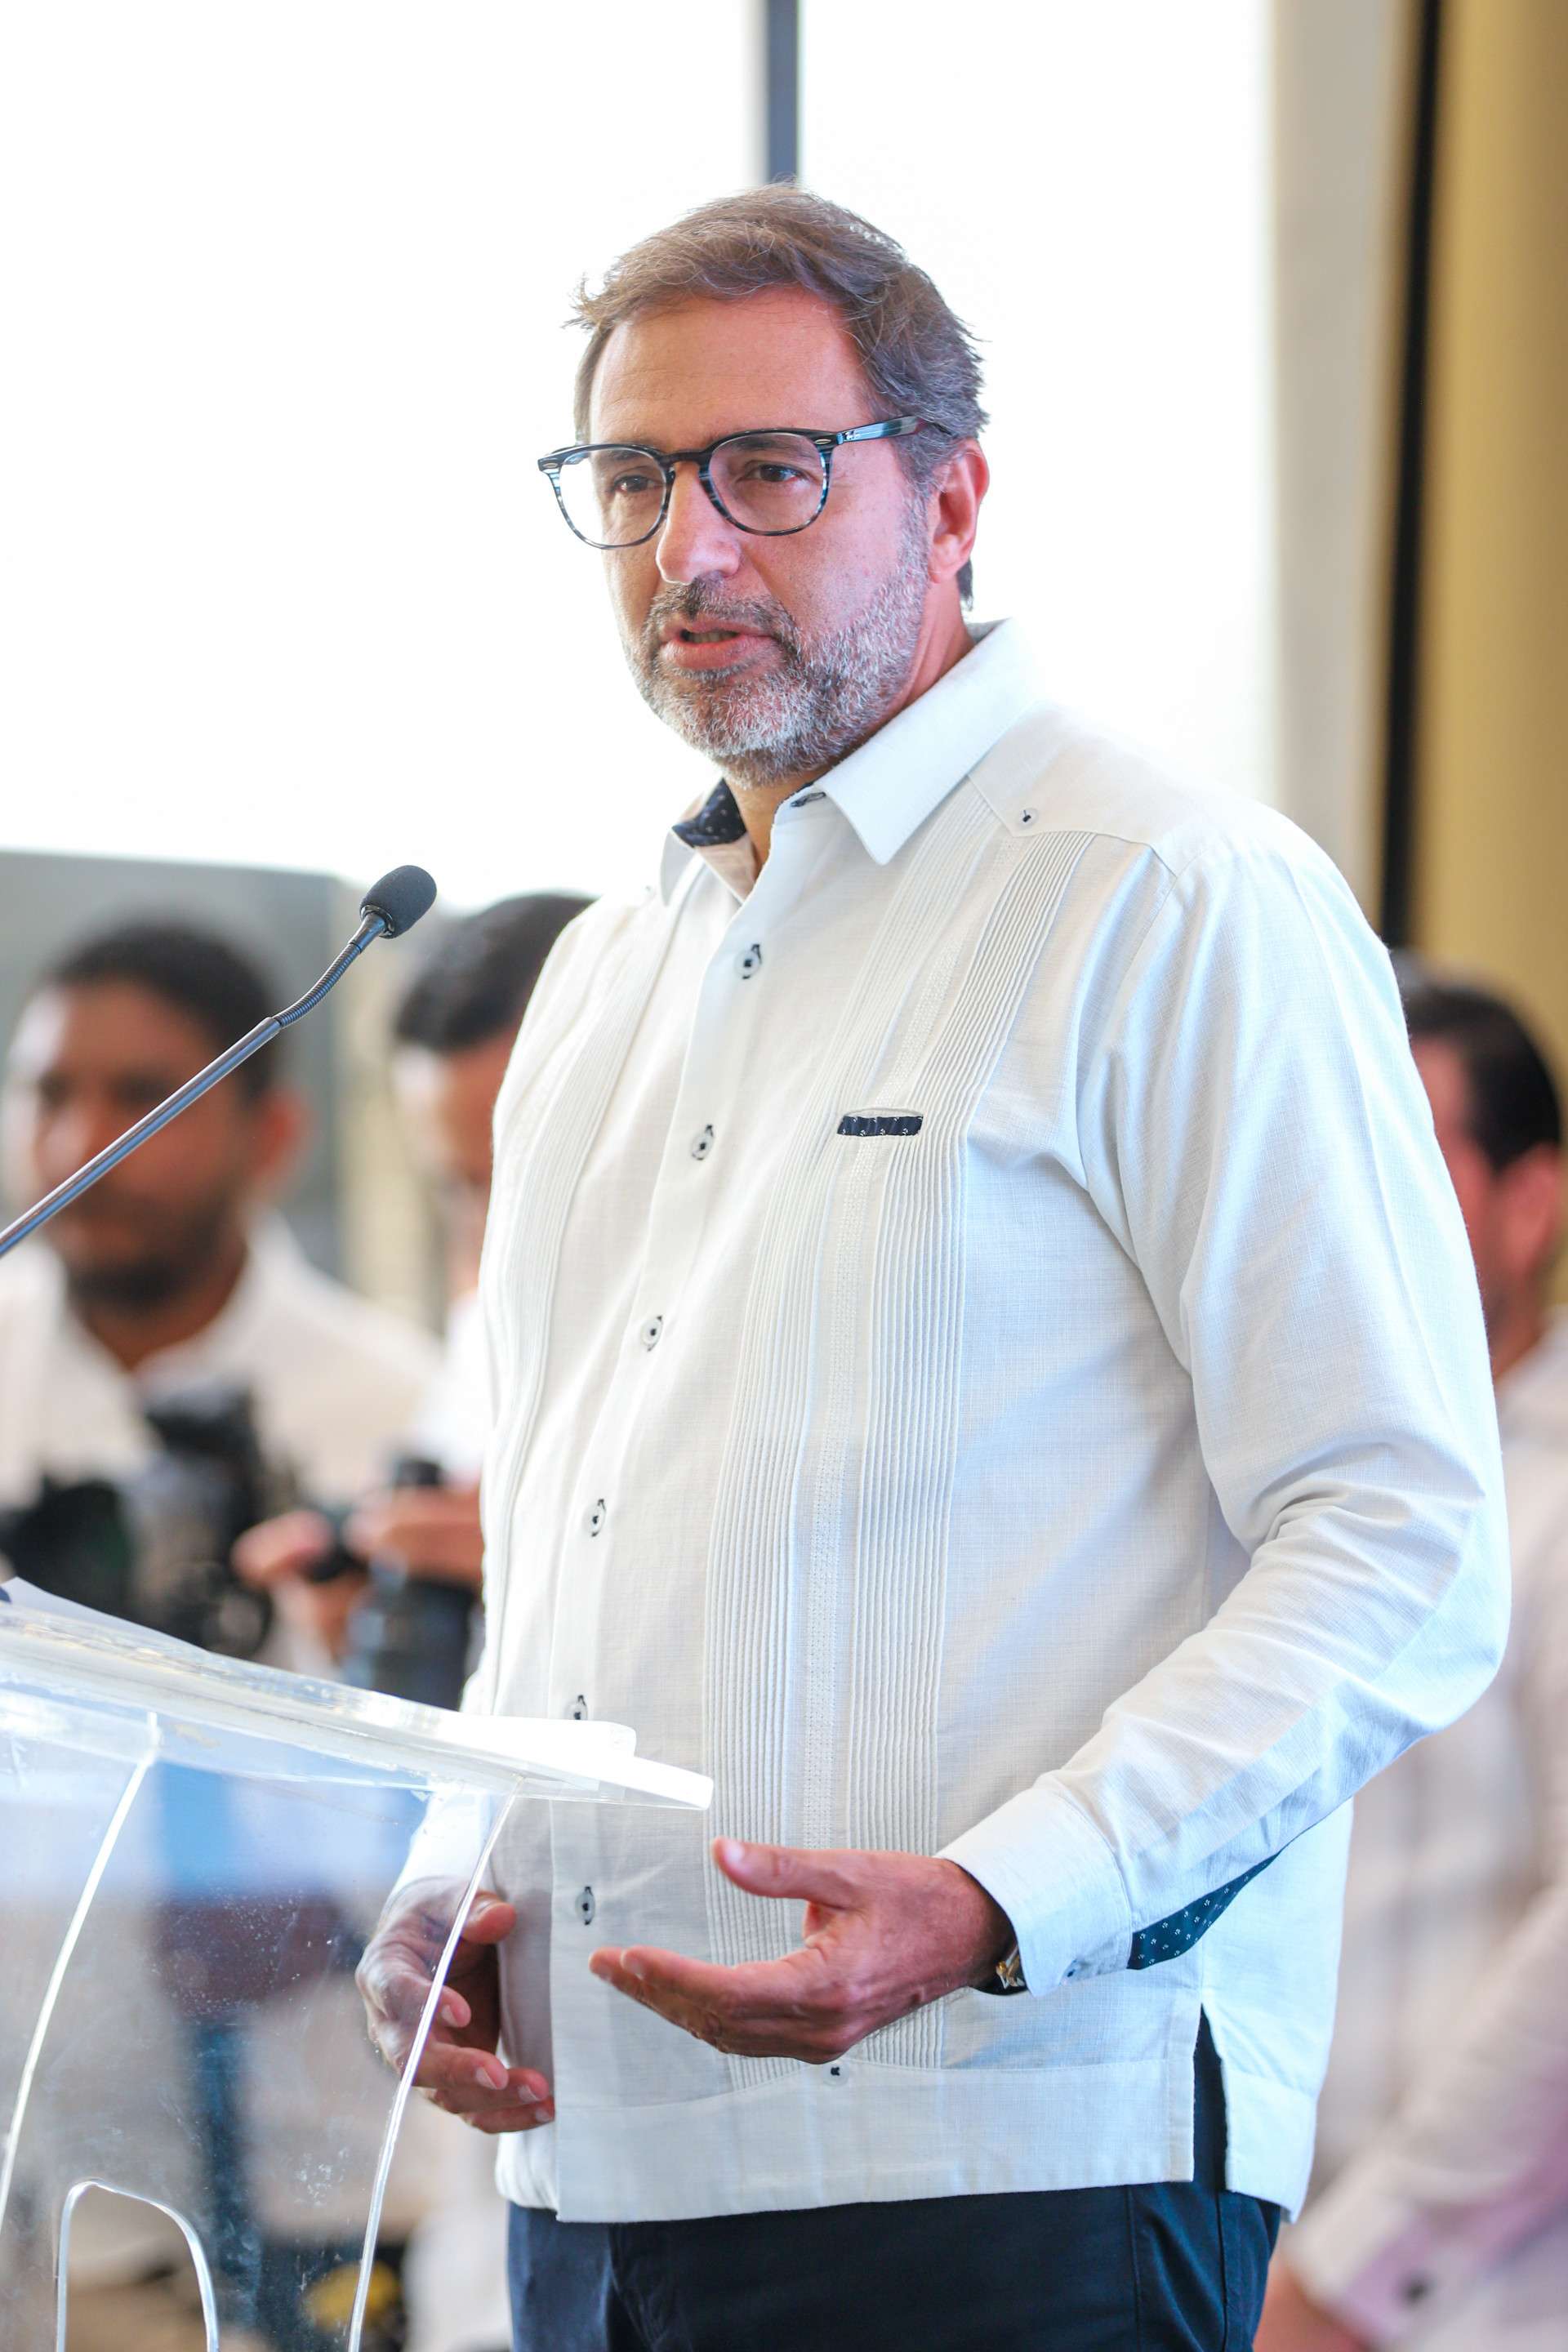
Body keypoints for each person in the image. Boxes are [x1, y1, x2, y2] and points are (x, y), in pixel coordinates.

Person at [359, 187, 1508, 2352]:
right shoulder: (600, 982)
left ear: (952, 497)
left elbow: (1406, 1536)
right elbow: (559, 1565)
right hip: (594, 2173)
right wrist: (449, 1875)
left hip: (1014, 2161)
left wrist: (996, 1897)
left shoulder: (1175, 892)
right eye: (632, 481)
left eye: (769, 471)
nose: (690, 550)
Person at [0, 916, 441, 2345]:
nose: (83, 1142)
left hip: (308, 2204)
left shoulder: (396, 1412)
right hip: (30, 2190)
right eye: (49, 1091)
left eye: (147, 1096)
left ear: (274, 1135)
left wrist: (326, 1896)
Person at [234, 893, 589, 2352]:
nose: (492, 1251)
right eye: (461, 1194)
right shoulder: (467, 1385)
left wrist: (564, 1589)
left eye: (534, 1179)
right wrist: (352, 1668)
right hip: (483, 2222)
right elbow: (368, 1903)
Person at [1258, 974, 1568, 2351]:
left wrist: (1350, 2280)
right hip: (1256, 2262)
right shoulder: (1276, 1477)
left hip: (1471, 2301)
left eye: (1409, 1148)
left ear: (1530, 1203)